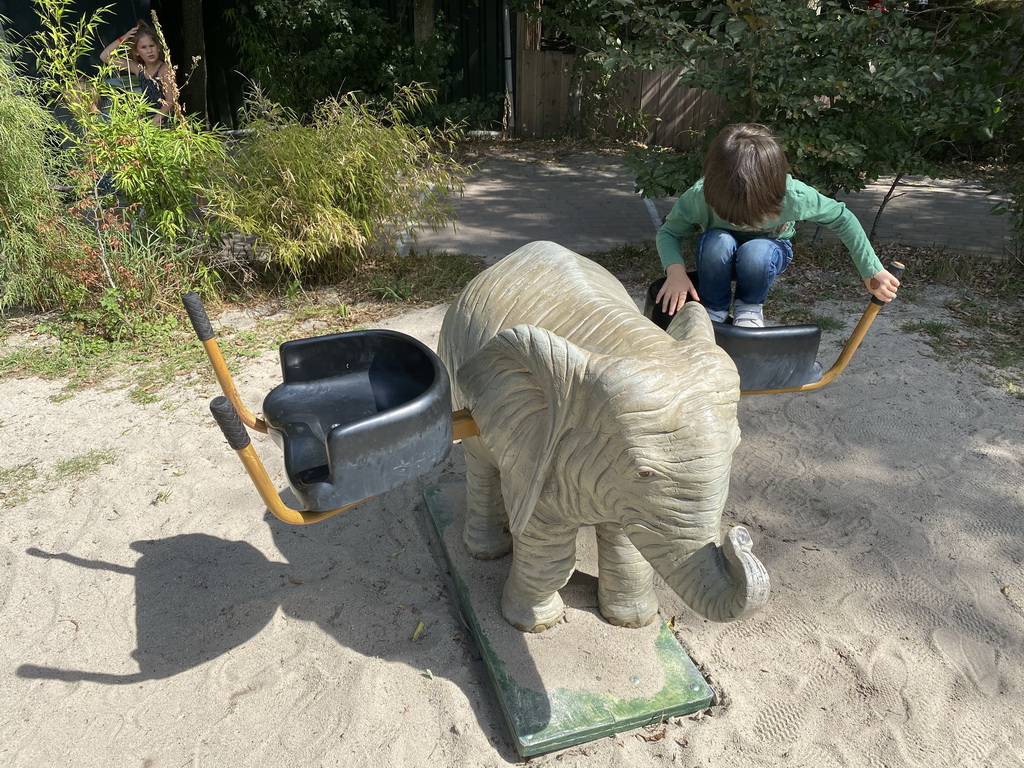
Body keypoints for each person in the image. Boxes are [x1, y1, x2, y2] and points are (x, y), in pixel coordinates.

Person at [655, 123, 900, 327]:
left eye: (751, 215)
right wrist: (675, 272)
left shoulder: (794, 195)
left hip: (765, 257)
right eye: (730, 215)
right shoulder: (700, 196)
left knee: (756, 251)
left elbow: (842, 218)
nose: (738, 222)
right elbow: (669, 232)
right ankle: (714, 308)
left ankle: (749, 307)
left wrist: (871, 269)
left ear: (774, 194)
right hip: (717, 258)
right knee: (718, 240)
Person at [99, 21, 172, 125]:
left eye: (152, 46)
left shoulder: (164, 69)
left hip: (165, 121)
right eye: (143, 47)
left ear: (158, 48)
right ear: (136, 52)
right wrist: (124, 37)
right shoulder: (138, 68)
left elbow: (170, 100)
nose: (149, 51)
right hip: (147, 120)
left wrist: (156, 120)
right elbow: (105, 57)